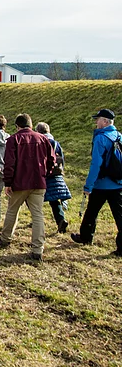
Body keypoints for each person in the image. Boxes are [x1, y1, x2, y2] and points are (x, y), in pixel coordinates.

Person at [0, 114, 55, 261]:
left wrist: (8, 182)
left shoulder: (14, 139)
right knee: (37, 214)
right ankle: (37, 248)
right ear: (31, 125)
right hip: (38, 182)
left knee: (12, 210)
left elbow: (9, 163)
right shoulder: (43, 138)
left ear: (17, 126)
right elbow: (52, 159)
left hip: (19, 182)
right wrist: (45, 173)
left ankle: (6, 237)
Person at [71, 109, 122, 256]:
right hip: (117, 182)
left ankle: (86, 237)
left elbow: (96, 164)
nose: (96, 122)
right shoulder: (119, 136)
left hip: (102, 183)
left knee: (92, 211)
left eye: (98, 119)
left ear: (105, 122)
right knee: (119, 215)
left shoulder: (101, 138)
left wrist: (89, 185)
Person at [36, 122, 71, 233]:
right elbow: (62, 159)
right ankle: (61, 219)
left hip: (44, 174)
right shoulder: (56, 143)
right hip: (56, 174)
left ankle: (36, 220)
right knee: (55, 200)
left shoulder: (39, 142)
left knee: (36, 199)